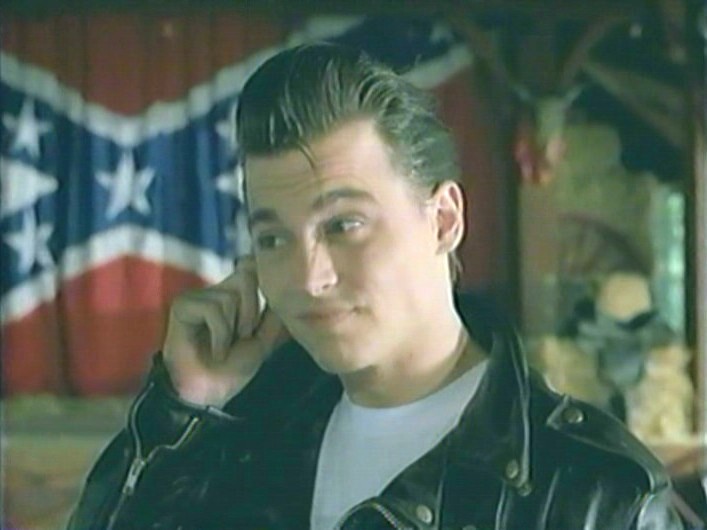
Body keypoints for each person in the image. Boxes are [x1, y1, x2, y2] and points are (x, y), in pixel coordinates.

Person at [67, 43, 685, 530]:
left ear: (443, 220)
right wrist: (180, 413)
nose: (309, 278)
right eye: (273, 238)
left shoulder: (596, 493)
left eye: (344, 225)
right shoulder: (246, 440)